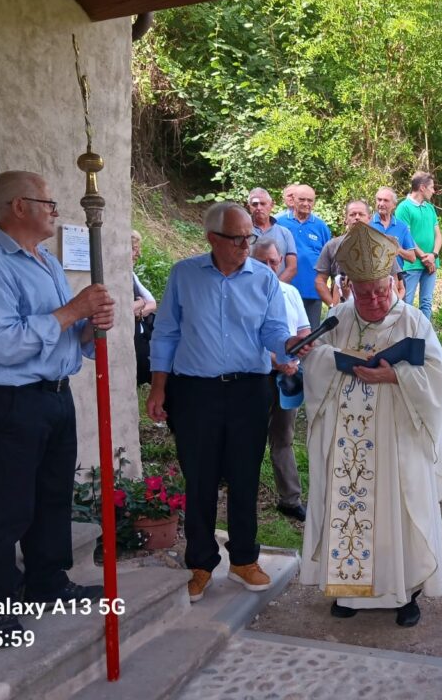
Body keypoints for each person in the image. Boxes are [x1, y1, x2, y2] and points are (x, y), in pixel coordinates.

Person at [0, 170, 115, 640]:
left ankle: (46, 581)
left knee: (51, 497)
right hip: (9, 402)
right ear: (17, 207)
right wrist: (74, 311)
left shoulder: (43, 261)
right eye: (47, 201)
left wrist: (89, 326)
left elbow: (59, 331)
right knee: (8, 505)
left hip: (55, 397)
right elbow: (3, 344)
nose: (55, 209)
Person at [147, 202, 310, 603]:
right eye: (237, 238)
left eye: (249, 237)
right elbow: (165, 334)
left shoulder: (264, 280)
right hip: (194, 391)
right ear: (212, 239)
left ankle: (243, 559)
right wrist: (158, 388)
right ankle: (200, 563)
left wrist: (288, 344)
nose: (245, 245)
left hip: (248, 390)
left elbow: (273, 330)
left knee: (244, 476)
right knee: (199, 478)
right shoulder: (184, 275)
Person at [300, 222, 442, 627]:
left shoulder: (414, 322)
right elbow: (313, 363)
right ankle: (349, 591)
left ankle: (406, 595)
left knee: (397, 510)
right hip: (347, 439)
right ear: (348, 286)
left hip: (397, 436)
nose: (374, 300)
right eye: (364, 294)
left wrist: (395, 376)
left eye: (381, 291)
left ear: (393, 284)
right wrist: (331, 360)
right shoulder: (337, 317)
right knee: (348, 507)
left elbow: (439, 375)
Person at [252, 237, 311, 522]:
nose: (269, 266)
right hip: (254, 377)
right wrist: (277, 360)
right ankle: (243, 493)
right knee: (248, 438)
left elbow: (303, 331)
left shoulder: (290, 292)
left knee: (284, 438)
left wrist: (294, 360)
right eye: (262, 261)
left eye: (273, 261)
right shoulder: (244, 293)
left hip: (286, 377)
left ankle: (290, 499)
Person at [315, 200, 403, 306]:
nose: (357, 217)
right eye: (352, 214)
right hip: (344, 306)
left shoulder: (382, 245)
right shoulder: (332, 245)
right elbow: (320, 280)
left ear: (369, 218)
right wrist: (334, 306)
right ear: (346, 219)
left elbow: (393, 279)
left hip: (377, 306)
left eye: (361, 214)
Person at [277, 184, 332, 329]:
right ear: (293, 199)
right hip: (286, 289)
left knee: (310, 334)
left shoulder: (321, 226)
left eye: (310, 200)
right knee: (286, 333)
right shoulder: (280, 223)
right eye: (302, 199)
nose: (306, 204)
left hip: (313, 290)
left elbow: (330, 258)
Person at [395, 171, 442, 321]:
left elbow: (438, 235)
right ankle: (404, 336)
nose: (433, 191)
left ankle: (424, 338)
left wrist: (433, 255)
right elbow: (407, 236)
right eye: (432, 188)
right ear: (422, 187)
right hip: (412, 263)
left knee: (426, 303)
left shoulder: (430, 208)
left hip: (432, 262)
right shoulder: (404, 208)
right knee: (406, 302)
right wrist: (423, 256)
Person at [247, 187, 297, 282]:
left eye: (263, 203)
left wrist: (274, 288)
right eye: (254, 204)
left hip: (278, 289)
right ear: (249, 206)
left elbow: (292, 267)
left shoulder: (285, 233)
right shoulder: (240, 232)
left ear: (271, 205)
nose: (259, 208)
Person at [131, 229, 158, 386]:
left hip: (140, 335)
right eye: (134, 249)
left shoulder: (132, 275)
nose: (138, 254)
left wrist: (138, 310)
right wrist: (140, 303)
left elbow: (152, 303)